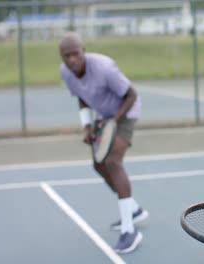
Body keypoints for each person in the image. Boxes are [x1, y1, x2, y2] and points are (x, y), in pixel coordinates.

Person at [58, 32, 148, 254]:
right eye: (66, 56)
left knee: (113, 162)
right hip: (104, 116)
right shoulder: (67, 73)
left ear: (84, 51)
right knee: (99, 165)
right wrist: (87, 126)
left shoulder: (105, 68)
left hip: (125, 113)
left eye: (75, 54)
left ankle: (129, 231)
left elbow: (132, 94)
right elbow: (81, 96)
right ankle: (134, 210)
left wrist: (113, 123)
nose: (71, 60)